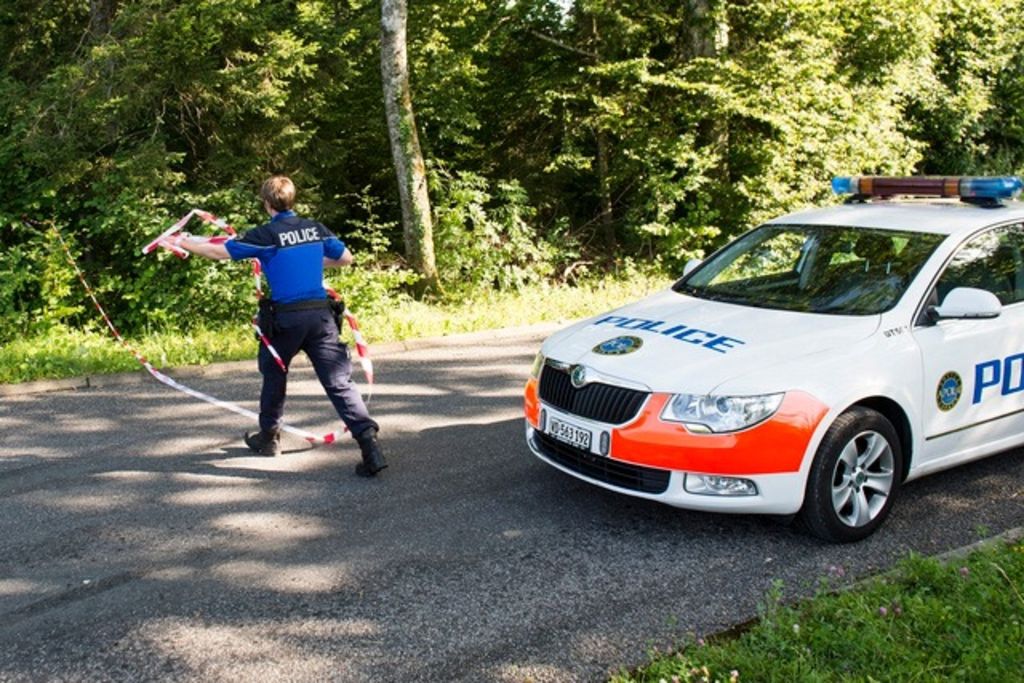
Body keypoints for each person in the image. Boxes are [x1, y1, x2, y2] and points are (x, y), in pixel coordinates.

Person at [166, 175, 387, 477]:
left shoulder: (266, 235)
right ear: (291, 200)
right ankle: (368, 444)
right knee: (339, 382)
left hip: (285, 319)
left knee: (273, 373)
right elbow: (346, 258)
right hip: (321, 317)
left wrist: (180, 241)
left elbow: (217, 251)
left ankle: (269, 437)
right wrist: (307, 263)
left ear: (267, 204)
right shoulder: (315, 229)